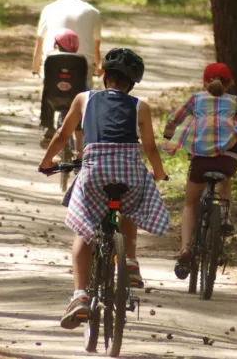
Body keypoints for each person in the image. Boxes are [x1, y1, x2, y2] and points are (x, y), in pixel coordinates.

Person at [39, 48, 170, 330]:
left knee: (84, 231)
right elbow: (149, 147)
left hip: (95, 173)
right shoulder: (140, 106)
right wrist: (158, 172)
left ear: (104, 76)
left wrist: (47, 161)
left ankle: (80, 295)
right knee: (131, 204)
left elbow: (63, 134)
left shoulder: (84, 99)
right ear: (133, 84)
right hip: (129, 174)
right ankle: (131, 261)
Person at [161, 63, 237, 279]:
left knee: (190, 204)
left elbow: (173, 119)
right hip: (227, 162)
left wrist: (169, 132)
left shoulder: (195, 99)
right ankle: (225, 216)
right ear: (229, 84)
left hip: (200, 162)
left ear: (204, 82)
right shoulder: (234, 101)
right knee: (225, 176)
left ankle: (185, 250)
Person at [35, 0, 103, 149]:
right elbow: (96, 47)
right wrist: (98, 67)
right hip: (82, 66)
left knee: (48, 89)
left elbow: (40, 43)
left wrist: (36, 68)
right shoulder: (93, 11)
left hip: (52, 65)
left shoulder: (49, 9)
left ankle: (48, 127)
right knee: (84, 99)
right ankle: (83, 139)